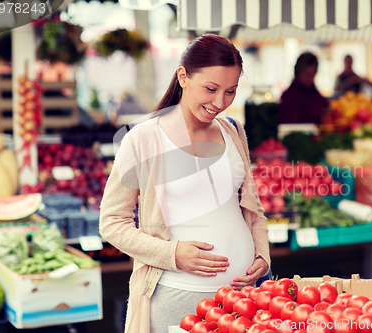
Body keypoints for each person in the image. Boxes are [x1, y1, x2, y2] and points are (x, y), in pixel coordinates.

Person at [99, 34, 270, 333]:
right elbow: (112, 222)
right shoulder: (143, 139)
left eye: (230, 91)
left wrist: (261, 255)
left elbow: (252, 209)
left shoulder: (233, 131)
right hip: (178, 297)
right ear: (183, 76)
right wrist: (173, 254)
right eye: (211, 89)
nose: (220, 102)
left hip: (242, 299)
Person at [279, 52, 329, 124]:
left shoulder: (313, 92)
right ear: (299, 71)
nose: (310, 78)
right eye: (307, 74)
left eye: (313, 74)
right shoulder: (290, 96)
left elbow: (325, 108)